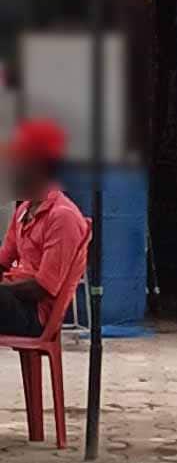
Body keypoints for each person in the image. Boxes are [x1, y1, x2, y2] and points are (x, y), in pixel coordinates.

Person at [0, 120, 89, 336]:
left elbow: (44, 287)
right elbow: (3, 260)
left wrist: (2, 290)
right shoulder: (24, 210)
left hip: (34, 314)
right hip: (13, 299)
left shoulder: (62, 216)